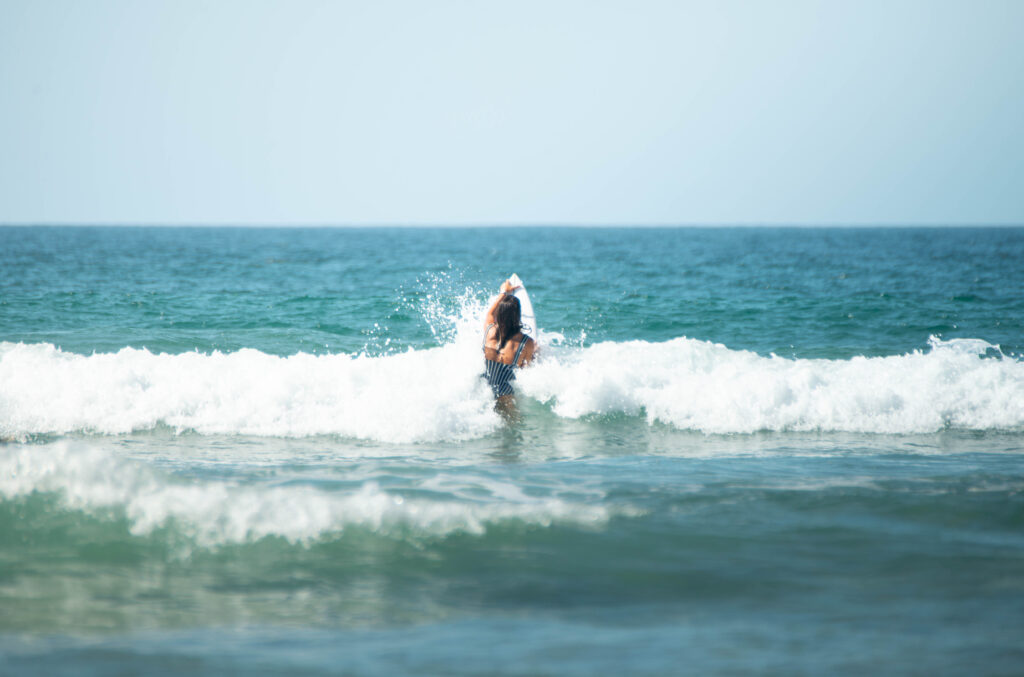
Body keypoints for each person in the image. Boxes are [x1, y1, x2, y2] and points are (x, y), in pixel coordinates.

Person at [482, 279, 537, 405]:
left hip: (483, 389)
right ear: (518, 316)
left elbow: (490, 313)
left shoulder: (489, 331)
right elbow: (526, 367)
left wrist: (503, 292)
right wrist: (535, 353)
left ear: (499, 314)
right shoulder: (526, 342)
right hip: (505, 397)